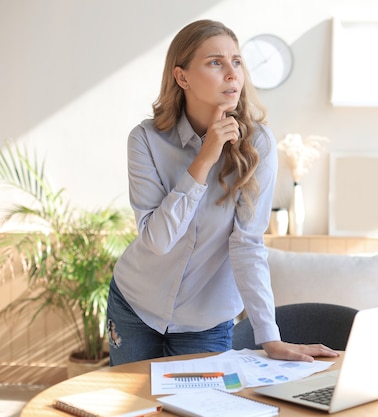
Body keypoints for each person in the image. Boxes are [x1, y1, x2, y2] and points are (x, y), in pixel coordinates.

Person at [106, 19, 338, 366]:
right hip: (136, 306)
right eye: (215, 62)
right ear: (181, 77)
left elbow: (247, 244)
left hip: (205, 322)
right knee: (133, 408)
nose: (232, 73)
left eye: (237, 61)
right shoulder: (145, 140)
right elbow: (158, 240)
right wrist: (205, 157)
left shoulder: (258, 144)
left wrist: (269, 337)